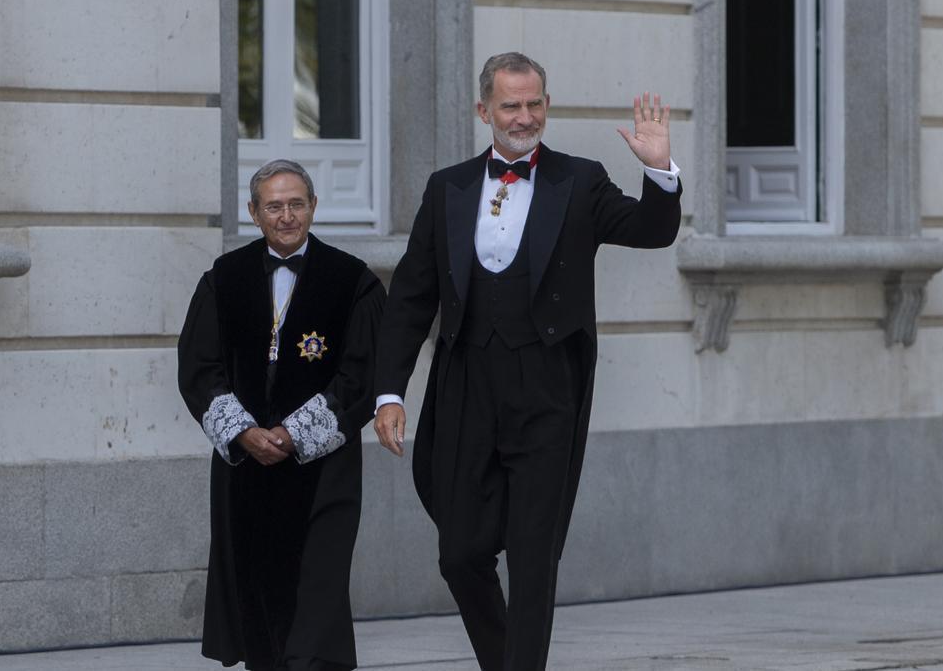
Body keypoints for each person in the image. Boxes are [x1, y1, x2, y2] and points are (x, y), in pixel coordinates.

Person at [372, 52, 682, 670]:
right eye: (511, 105)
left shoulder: (579, 179)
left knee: (534, 553)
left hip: (546, 389)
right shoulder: (448, 187)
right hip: (465, 384)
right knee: (459, 552)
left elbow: (652, 229)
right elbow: (410, 297)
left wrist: (660, 171)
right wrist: (389, 392)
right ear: (484, 110)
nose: (524, 116)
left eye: (534, 103)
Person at [179, 159, 385, 671]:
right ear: (254, 212)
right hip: (245, 471)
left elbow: (362, 373)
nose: (287, 216)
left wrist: (295, 434)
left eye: (296, 204)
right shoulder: (224, 280)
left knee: (316, 596)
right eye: (274, 206)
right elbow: (198, 367)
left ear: (313, 207)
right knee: (255, 597)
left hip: (323, 472)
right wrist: (244, 432)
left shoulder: (352, 281)